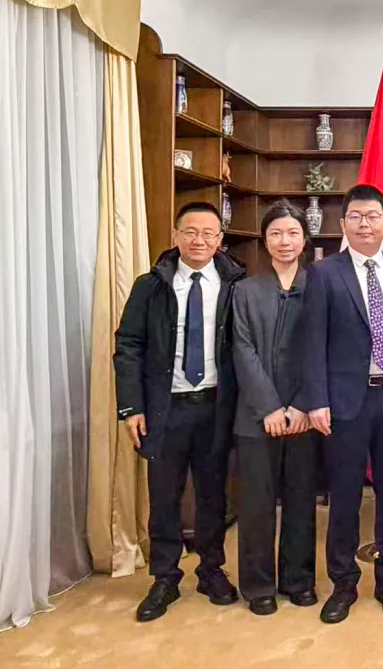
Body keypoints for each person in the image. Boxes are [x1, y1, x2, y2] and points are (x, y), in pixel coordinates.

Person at [114, 201, 246, 622]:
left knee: (213, 494)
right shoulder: (151, 285)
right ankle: (165, 577)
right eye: (190, 231)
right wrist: (131, 407)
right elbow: (129, 346)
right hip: (165, 408)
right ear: (175, 235)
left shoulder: (236, 285)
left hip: (215, 406)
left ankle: (211, 570)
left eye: (208, 233)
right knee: (164, 495)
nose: (199, 240)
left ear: (220, 240)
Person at [299, 184, 383, 622]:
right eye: (356, 217)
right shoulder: (324, 273)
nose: (365, 225)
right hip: (346, 401)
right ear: (343, 224)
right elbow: (312, 342)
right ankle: (343, 583)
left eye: (373, 217)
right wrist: (317, 400)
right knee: (345, 495)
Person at [232, 200, 317, 616]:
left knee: (302, 501)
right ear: (265, 241)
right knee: (256, 505)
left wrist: (301, 404)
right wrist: (268, 406)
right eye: (276, 234)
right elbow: (242, 349)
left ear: (305, 239)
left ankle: (299, 580)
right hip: (255, 416)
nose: (285, 241)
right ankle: (258, 585)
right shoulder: (245, 290)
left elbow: (323, 349)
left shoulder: (319, 285)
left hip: (305, 416)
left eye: (293, 233)